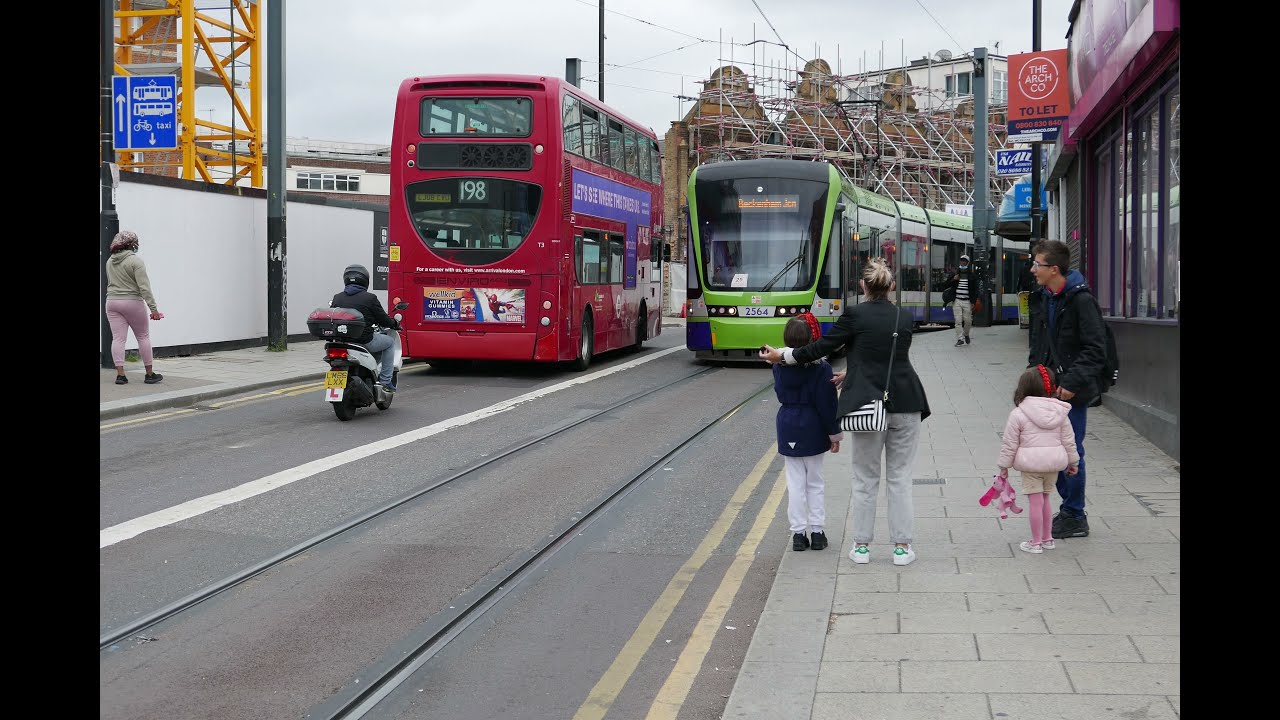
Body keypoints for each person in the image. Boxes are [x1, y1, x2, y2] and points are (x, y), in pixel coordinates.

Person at [760, 257, 930, 566]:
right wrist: (851, 374)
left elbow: (820, 347)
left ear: (863, 286)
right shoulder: (904, 317)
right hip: (907, 403)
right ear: (891, 287)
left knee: (865, 479)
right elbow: (884, 358)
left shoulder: (854, 315)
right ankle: (902, 548)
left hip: (867, 405)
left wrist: (782, 355)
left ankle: (862, 548)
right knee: (900, 478)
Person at [1027, 239, 1108, 539]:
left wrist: (1072, 384)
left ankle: (1075, 515)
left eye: (1038, 264)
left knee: (1070, 452)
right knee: (1050, 451)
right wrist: (1032, 376)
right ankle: (1068, 509)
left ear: (1054, 269)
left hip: (1071, 391)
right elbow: (1041, 344)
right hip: (1047, 387)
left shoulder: (1081, 300)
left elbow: (1095, 349)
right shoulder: (1046, 297)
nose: (1033, 269)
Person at [771, 313, 844, 552]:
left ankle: (798, 534)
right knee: (815, 482)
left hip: (788, 424)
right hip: (813, 426)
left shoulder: (778, 367)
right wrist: (834, 435)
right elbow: (827, 405)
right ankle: (818, 532)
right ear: (813, 340)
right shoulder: (822, 369)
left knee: (794, 483)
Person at [995, 365, 1080, 554]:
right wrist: (1073, 462)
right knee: (1046, 499)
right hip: (1053, 464)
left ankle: (1035, 543)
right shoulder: (1060, 412)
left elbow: (1010, 443)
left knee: (1035, 502)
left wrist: (1004, 466)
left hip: (1031, 464)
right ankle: (1048, 538)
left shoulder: (1018, 413)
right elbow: (1069, 439)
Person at [105, 230, 164, 385]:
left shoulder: (110, 261)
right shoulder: (135, 261)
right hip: (132, 301)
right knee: (143, 337)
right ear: (131, 244)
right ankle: (150, 374)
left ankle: (120, 375)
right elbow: (144, 288)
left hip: (112, 302)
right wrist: (154, 310)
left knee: (118, 338)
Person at [330, 264, 400, 392]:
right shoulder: (370, 298)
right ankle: (385, 381)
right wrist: (394, 323)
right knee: (389, 343)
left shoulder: (337, 297)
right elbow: (383, 319)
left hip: (342, 341)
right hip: (364, 341)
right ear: (365, 280)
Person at [940, 253, 978, 347]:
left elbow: (975, 290)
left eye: (965, 261)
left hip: (967, 301)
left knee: (968, 321)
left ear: (968, 263)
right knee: (958, 320)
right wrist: (953, 279)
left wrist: (973, 302)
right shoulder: (955, 274)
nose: (963, 263)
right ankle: (960, 339)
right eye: (961, 261)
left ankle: (966, 334)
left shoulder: (972, 276)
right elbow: (945, 285)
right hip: (957, 300)